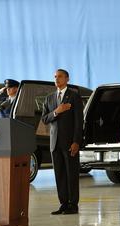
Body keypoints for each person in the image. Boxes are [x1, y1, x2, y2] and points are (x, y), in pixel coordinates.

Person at [42, 69, 83, 215]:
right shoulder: (49, 98)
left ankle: (73, 204)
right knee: (59, 174)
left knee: (71, 174)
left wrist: (76, 141)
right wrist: (57, 111)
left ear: (67, 79)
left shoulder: (74, 96)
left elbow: (79, 121)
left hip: (70, 142)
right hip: (55, 143)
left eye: (59, 77)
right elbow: (44, 119)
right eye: (55, 77)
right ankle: (63, 203)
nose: (56, 79)